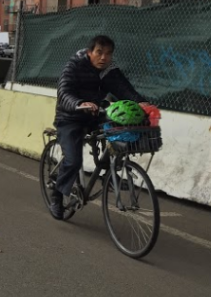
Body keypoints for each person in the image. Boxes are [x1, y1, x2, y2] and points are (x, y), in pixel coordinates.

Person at [50, 35, 150, 220]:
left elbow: (123, 88)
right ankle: (57, 195)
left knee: (119, 128)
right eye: (99, 52)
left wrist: (140, 102)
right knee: (73, 161)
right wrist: (80, 103)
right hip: (70, 117)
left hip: (95, 114)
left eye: (108, 53)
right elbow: (64, 91)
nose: (104, 57)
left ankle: (110, 173)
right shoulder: (75, 65)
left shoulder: (108, 69)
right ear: (90, 52)